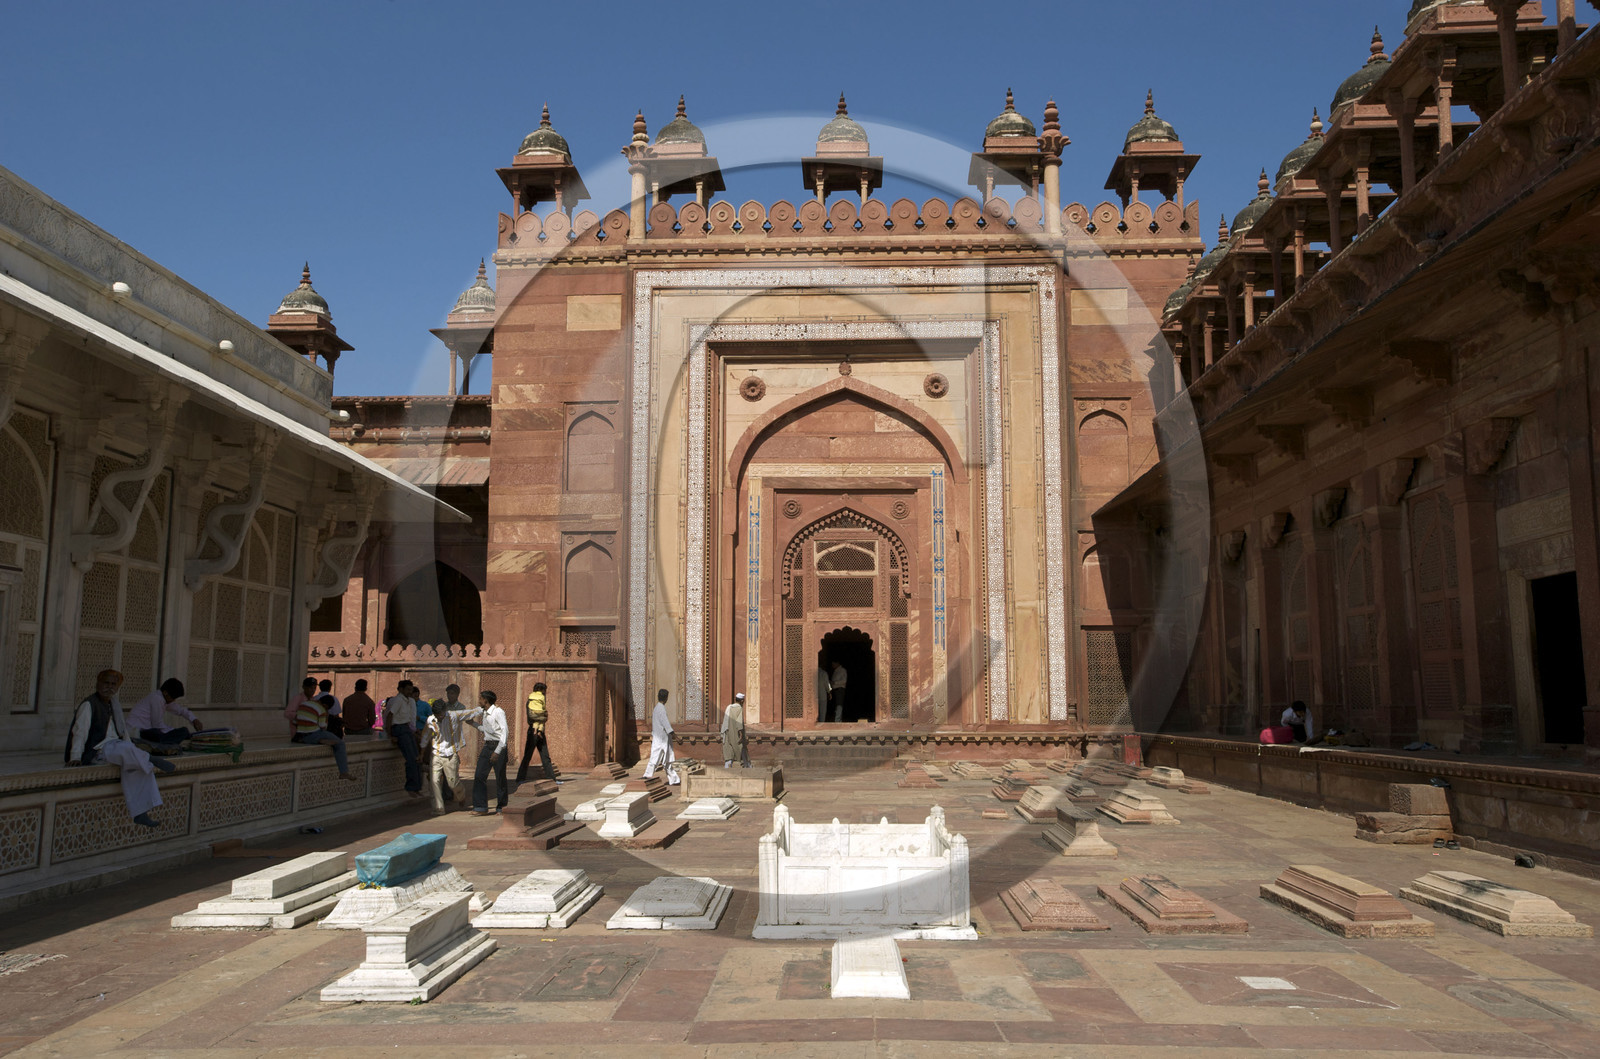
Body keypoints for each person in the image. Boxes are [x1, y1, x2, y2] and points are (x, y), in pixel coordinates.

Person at [66, 669, 175, 828]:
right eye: (106, 683)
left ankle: (140, 813)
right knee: (129, 752)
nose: (109, 687)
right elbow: (79, 731)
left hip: (116, 747)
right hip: (97, 751)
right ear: (98, 683)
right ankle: (150, 758)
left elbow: (122, 730)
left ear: (117, 687)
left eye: (113, 684)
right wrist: (75, 756)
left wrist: (132, 748)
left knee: (138, 765)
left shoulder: (114, 703)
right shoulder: (89, 704)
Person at [293, 685, 356, 781]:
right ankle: (344, 772)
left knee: (318, 735)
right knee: (340, 743)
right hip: (313, 733)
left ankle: (319, 740)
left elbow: (295, 722)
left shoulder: (304, 704)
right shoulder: (322, 709)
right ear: (326, 706)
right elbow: (323, 727)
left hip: (300, 734)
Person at [464, 690, 509, 815]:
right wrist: (473, 724)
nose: (479, 701)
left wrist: (498, 752)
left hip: (498, 746)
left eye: (481, 699)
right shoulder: (484, 713)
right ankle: (480, 807)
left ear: (486, 700)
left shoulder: (498, 712)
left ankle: (501, 807)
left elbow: (504, 732)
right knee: (479, 775)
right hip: (487, 745)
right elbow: (488, 730)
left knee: (500, 778)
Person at [425, 688, 469, 813]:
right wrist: (422, 752)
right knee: (434, 781)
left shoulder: (456, 712)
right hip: (436, 753)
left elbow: (471, 714)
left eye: (452, 693)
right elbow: (425, 736)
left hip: (450, 751)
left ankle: (460, 795)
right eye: (448, 693)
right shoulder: (431, 719)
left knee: (452, 782)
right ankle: (438, 808)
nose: (439, 718)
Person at [128, 678, 201, 745]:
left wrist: (194, 719)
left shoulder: (163, 699)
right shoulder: (157, 698)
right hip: (138, 733)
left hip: (147, 732)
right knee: (183, 732)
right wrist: (172, 731)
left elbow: (180, 710)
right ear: (165, 693)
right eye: (173, 698)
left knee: (182, 732)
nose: (173, 700)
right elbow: (157, 725)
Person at [383, 680, 422, 797]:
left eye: (411, 689)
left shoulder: (408, 701)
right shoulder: (398, 700)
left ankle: (416, 787)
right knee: (410, 758)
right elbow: (390, 716)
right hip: (399, 729)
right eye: (408, 689)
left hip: (406, 728)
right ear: (400, 689)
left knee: (417, 758)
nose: (410, 692)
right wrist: (391, 735)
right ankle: (411, 787)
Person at [516, 681, 558, 784]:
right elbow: (536, 717)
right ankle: (520, 778)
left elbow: (540, 716)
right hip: (535, 731)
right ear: (542, 690)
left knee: (544, 756)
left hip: (538, 730)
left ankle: (551, 779)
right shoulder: (533, 701)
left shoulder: (535, 701)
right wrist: (543, 719)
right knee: (529, 755)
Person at [642, 688, 680, 785]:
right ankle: (647, 775)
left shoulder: (657, 708)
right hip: (661, 738)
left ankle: (674, 779)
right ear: (666, 698)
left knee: (666, 760)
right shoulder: (661, 709)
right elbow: (666, 724)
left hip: (660, 737)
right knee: (656, 758)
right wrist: (675, 736)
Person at [720, 692, 749, 768]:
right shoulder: (739, 708)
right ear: (742, 701)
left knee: (729, 748)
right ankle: (745, 765)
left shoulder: (729, 707)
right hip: (735, 731)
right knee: (739, 747)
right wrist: (741, 733)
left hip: (727, 730)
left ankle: (727, 767)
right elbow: (739, 722)